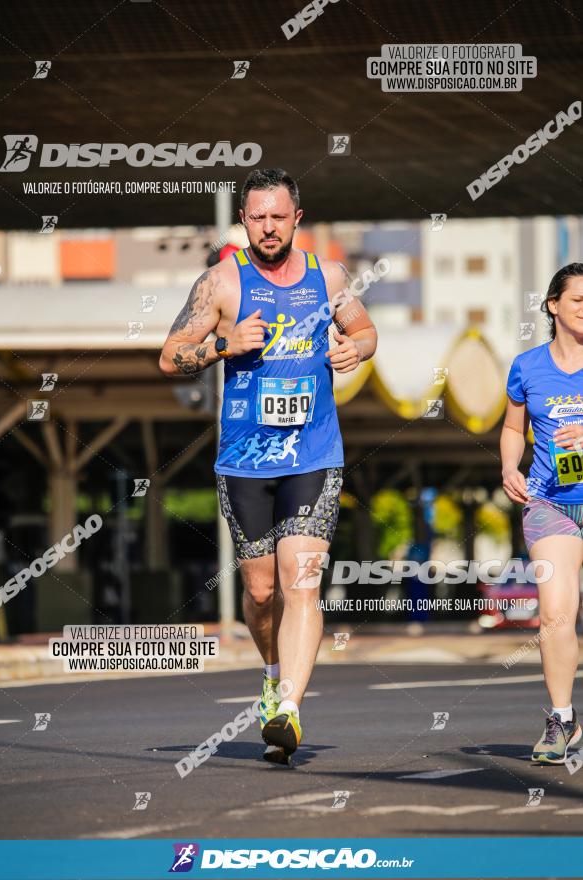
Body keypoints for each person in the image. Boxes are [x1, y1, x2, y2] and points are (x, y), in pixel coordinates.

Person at [160, 168, 377, 762]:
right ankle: (273, 671)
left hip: (313, 453)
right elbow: (170, 355)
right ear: (244, 221)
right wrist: (225, 346)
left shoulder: (327, 275)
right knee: (260, 592)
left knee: (301, 582)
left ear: (296, 218)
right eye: (257, 216)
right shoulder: (221, 283)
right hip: (246, 459)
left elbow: (365, 329)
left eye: (278, 216)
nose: (268, 227)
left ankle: (288, 707)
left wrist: (354, 347)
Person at [501, 262, 583, 764]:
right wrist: (510, 465)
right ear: (553, 305)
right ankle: (562, 720)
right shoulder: (527, 366)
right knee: (555, 613)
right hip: (552, 503)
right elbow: (513, 427)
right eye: (579, 301)